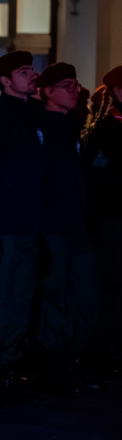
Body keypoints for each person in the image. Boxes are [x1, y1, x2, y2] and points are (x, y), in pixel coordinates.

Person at [0, 51, 45, 402]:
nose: (32, 75)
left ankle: (7, 366)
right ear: (5, 81)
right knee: (0, 302)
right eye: (23, 71)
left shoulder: (34, 118)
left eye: (32, 70)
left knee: (19, 302)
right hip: (6, 227)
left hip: (29, 225)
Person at [33, 63, 97, 392]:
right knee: (55, 297)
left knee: (80, 296)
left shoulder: (70, 126)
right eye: (66, 85)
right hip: (54, 226)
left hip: (75, 224)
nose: (74, 90)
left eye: (75, 84)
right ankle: (53, 366)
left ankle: (70, 360)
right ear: (47, 91)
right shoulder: (42, 127)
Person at [84, 66, 122, 370]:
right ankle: (105, 348)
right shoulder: (106, 130)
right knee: (110, 286)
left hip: (113, 216)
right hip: (111, 219)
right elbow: (101, 180)